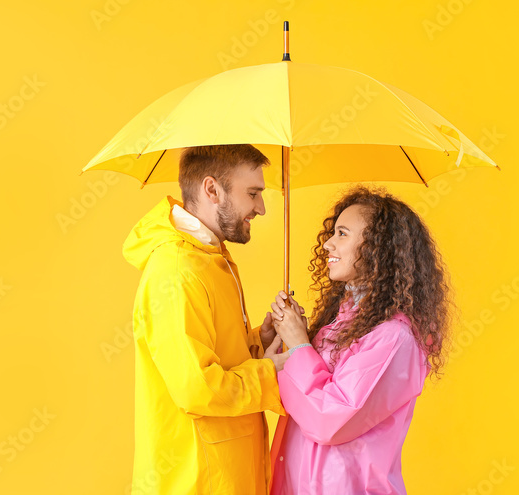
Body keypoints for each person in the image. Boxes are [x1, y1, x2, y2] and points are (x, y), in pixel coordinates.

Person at [123, 144, 289, 495]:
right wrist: (271, 371)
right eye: (253, 193)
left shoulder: (211, 258)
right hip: (197, 482)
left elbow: (219, 356)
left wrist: (262, 338)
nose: (260, 208)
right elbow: (198, 388)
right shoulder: (177, 272)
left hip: (228, 476)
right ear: (212, 189)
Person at [264, 186, 451, 495]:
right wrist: (279, 347)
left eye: (342, 234)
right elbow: (303, 398)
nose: (327, 244)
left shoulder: (394, 338)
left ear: (378, 248)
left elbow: (330, 421)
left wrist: (298, 344)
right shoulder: (339, 322)